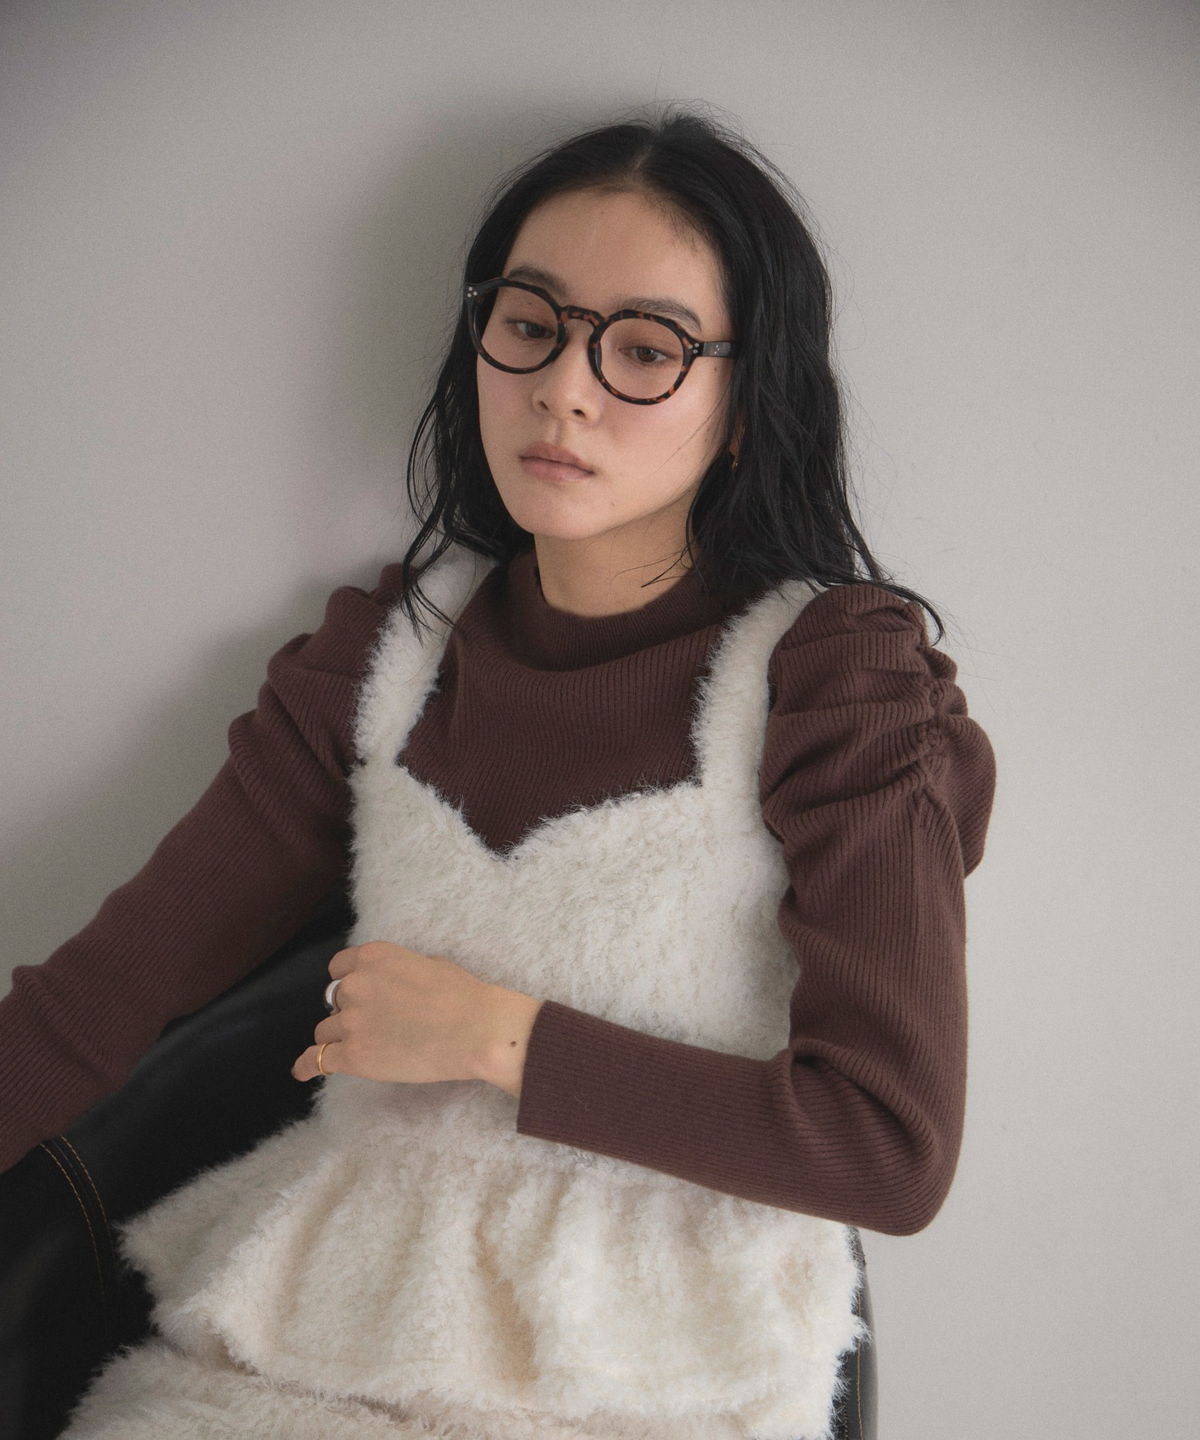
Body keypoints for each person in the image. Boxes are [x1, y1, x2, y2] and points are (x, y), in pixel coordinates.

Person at [1, 109, 995, 1438]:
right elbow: (100, 997)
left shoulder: (835, 680)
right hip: (328, 1334)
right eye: (530, 323)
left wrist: (500, 1039)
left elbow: (888, 1144)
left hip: (658, 1366)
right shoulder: (389, 655)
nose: (565, 387)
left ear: (746, 407)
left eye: (646, 349)